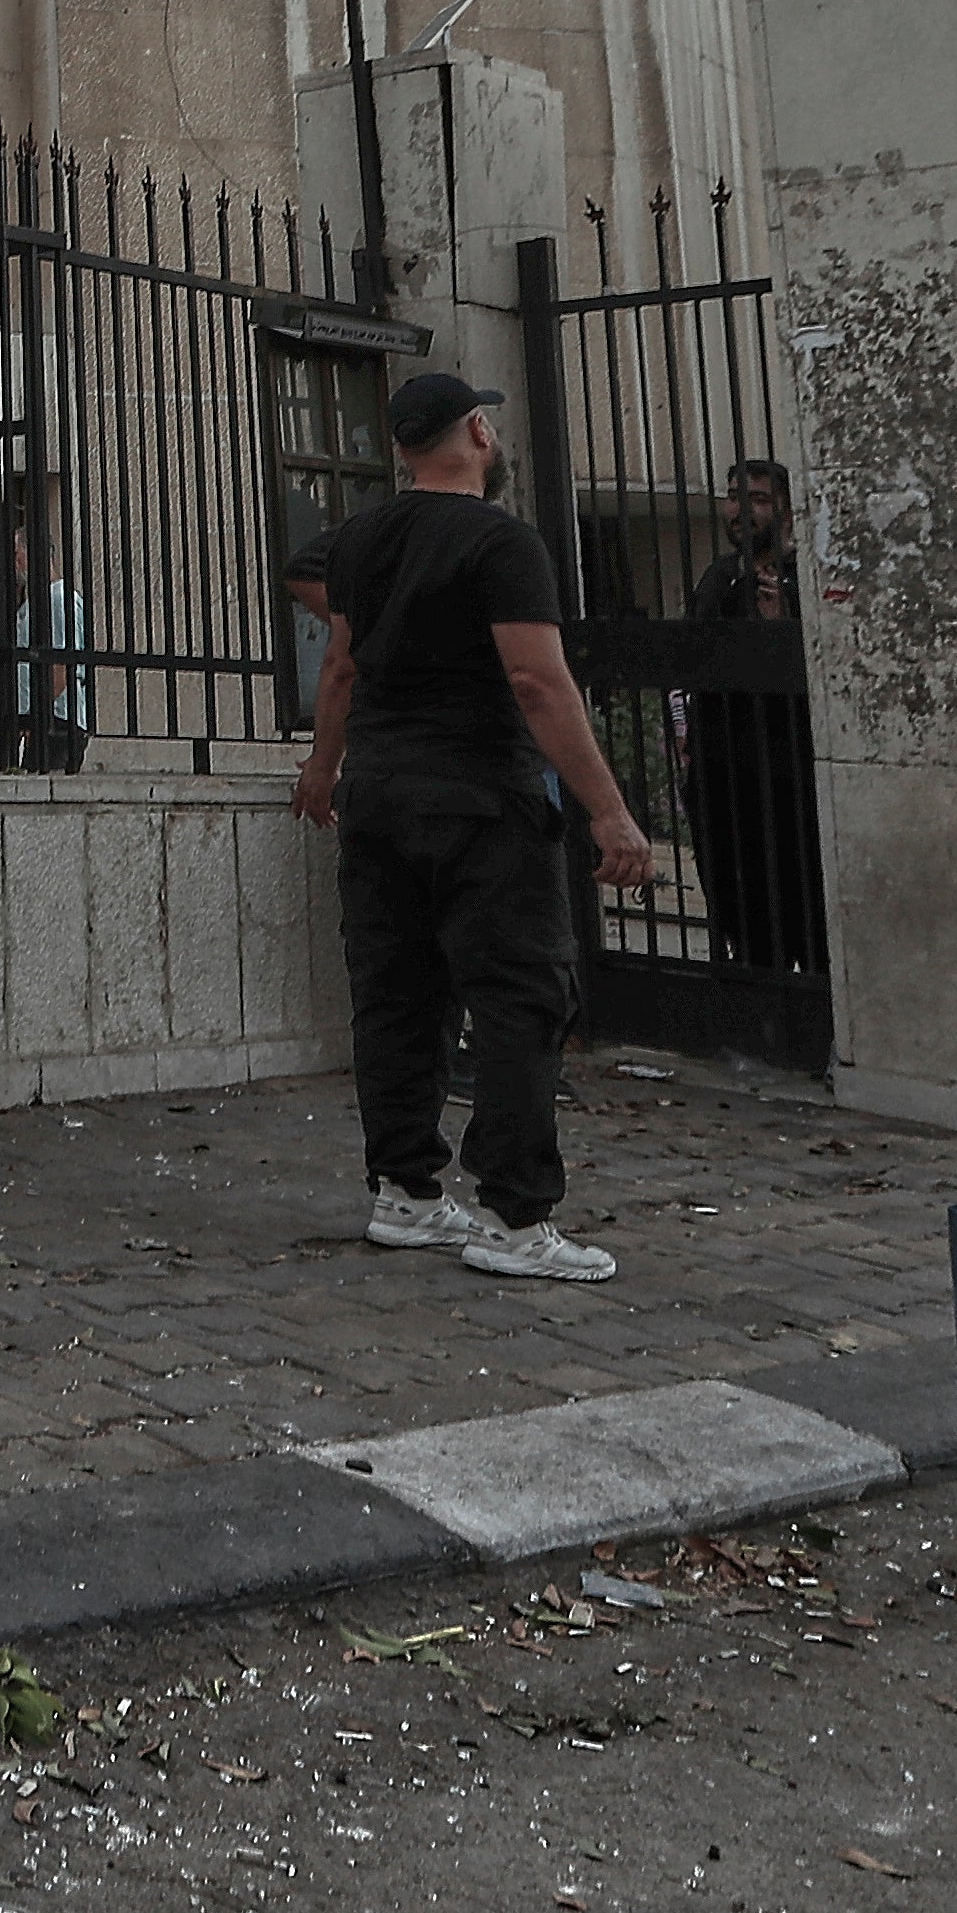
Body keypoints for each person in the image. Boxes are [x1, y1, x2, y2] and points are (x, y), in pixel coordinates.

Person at [291, 372, 660, 1284]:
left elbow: (339, 667)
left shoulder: (361, 540)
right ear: (476, 435)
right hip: (480, 800)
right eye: (483, 419)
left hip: (378, 795)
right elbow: (538, 683)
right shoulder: (505, 542)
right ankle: (512, 1215)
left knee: (396, 994)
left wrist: (323, 766)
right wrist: (608, 810)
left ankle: (406, 1194)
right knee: (518, 996)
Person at [676, 455, 812, 972]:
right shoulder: (718, 577)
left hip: (790, 782)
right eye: (736, 497)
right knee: (742, 918)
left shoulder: (806, 580)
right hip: (721, 779)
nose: (742, 510)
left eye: (758, 499)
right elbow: (687, 662)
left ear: (787, 512)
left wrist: (783, 629)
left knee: (805, 916)